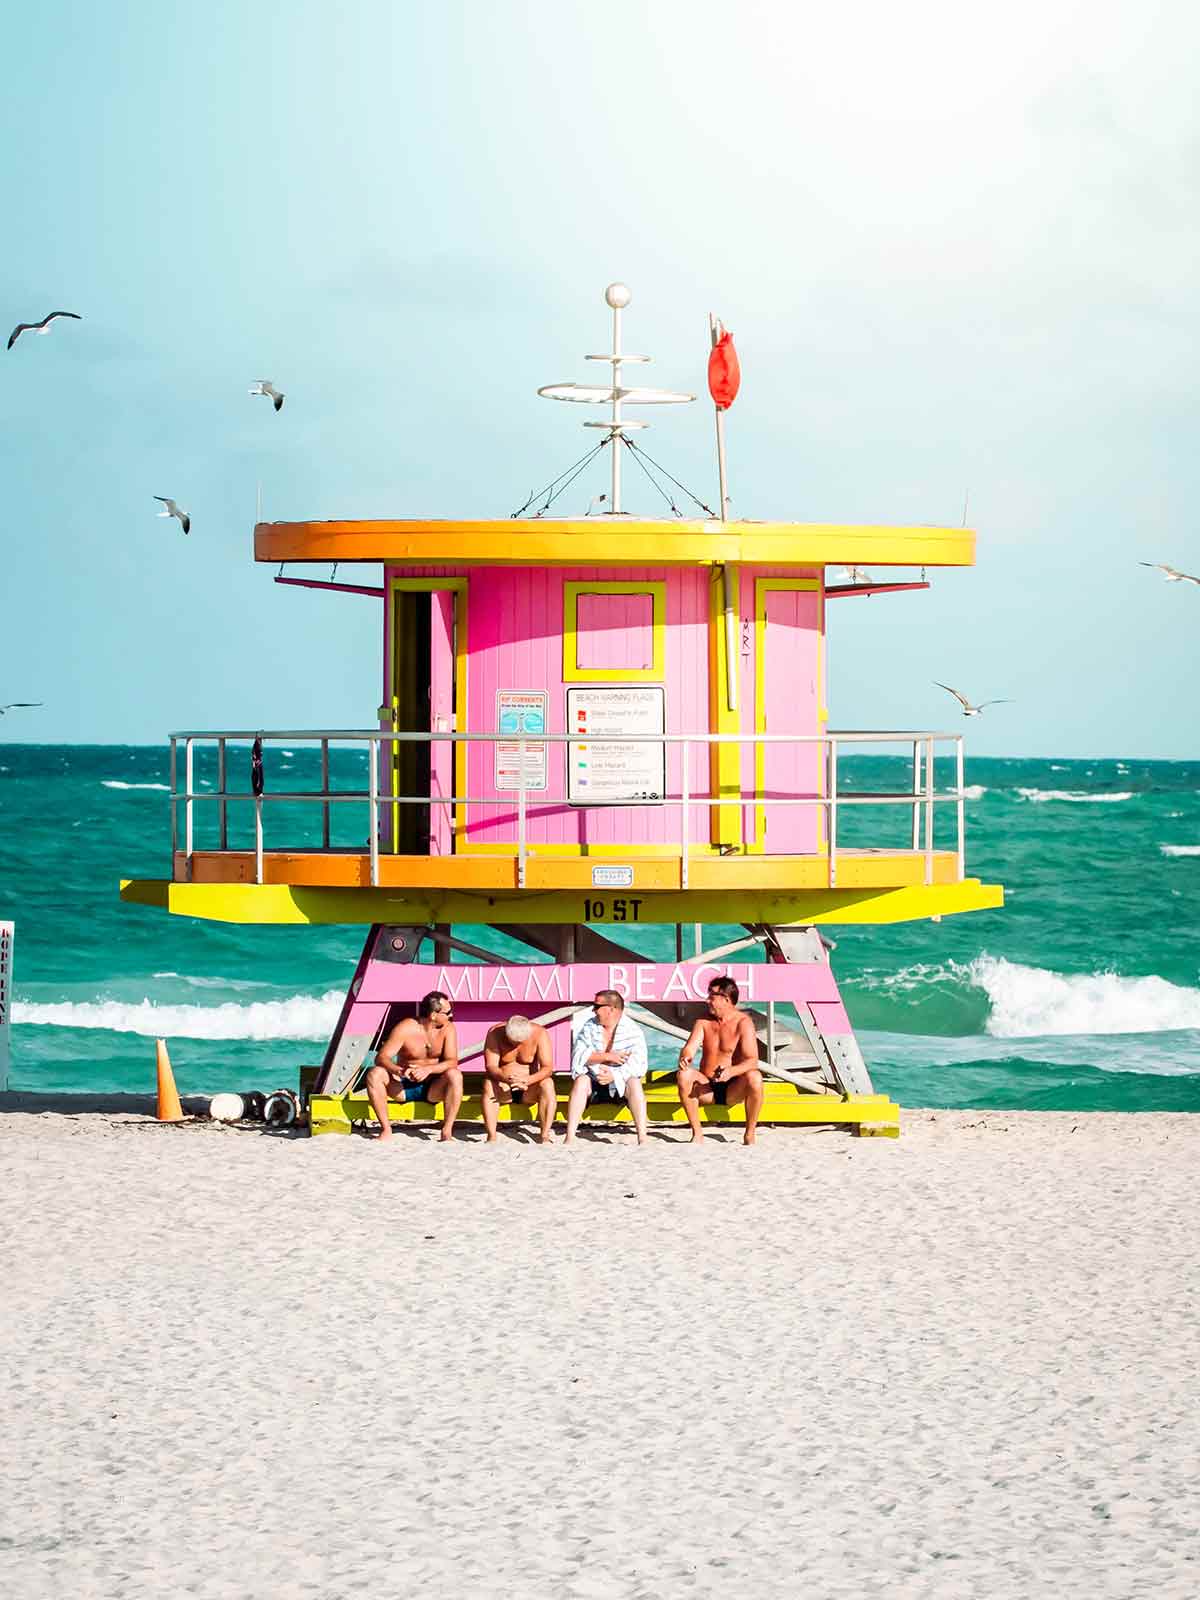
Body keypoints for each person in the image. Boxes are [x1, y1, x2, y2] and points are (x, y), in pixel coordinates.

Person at [365, 991, 463, 1143]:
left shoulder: (448, 1028)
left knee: (455, 1075)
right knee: (375, 1074)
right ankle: (386, 1129)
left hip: (433, 1087)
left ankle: (446, 1131)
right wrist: (399, 1070)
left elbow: (452, 1061)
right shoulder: (406, 1028)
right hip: (404, 1086)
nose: (451, 1015)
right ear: (433, 1015)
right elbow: (381, 1057)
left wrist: (428, 1069)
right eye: (448, 1012)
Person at [675, 976, 764, 1145]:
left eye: (712, 996)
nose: (707, 1000)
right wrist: (686, 1057)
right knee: (684, 1074)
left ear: (726, 999)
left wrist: (731, 1071)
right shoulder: (703, 1022)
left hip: (733, 1088)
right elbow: (690, 1047)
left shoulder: (743, 1023)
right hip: (706, 1087)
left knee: (755, 1077)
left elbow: (752, 1061)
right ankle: (697, 1134)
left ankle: (750, 1134)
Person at [565, 989, 649, 1146]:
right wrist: (608, 1056)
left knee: (635, 1083)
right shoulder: (589, 1026)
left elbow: (639, 1065)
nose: (593, 1010)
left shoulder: (633, 1031)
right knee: (581, 1081)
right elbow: (578, 1057)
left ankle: (642, 1137)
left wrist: (614, 1075)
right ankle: (569, 1136)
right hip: (593, 1080)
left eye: (597, 1006)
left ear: (611, 1009)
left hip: (620, 1083)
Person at [481, 1014, 558, 1143]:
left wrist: (528, 1080)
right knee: (489, 1084)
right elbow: (491, 1066)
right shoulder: (495, 1033)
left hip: (529, 1087)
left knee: (548, 1084)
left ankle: (545, 1135)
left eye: (520, 1041)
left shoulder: (540, 1033)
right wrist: (505, 1078)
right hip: (504, 1086)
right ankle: (491, 1135)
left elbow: (547, 1068)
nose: (516, 1044)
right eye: (513, 1041)